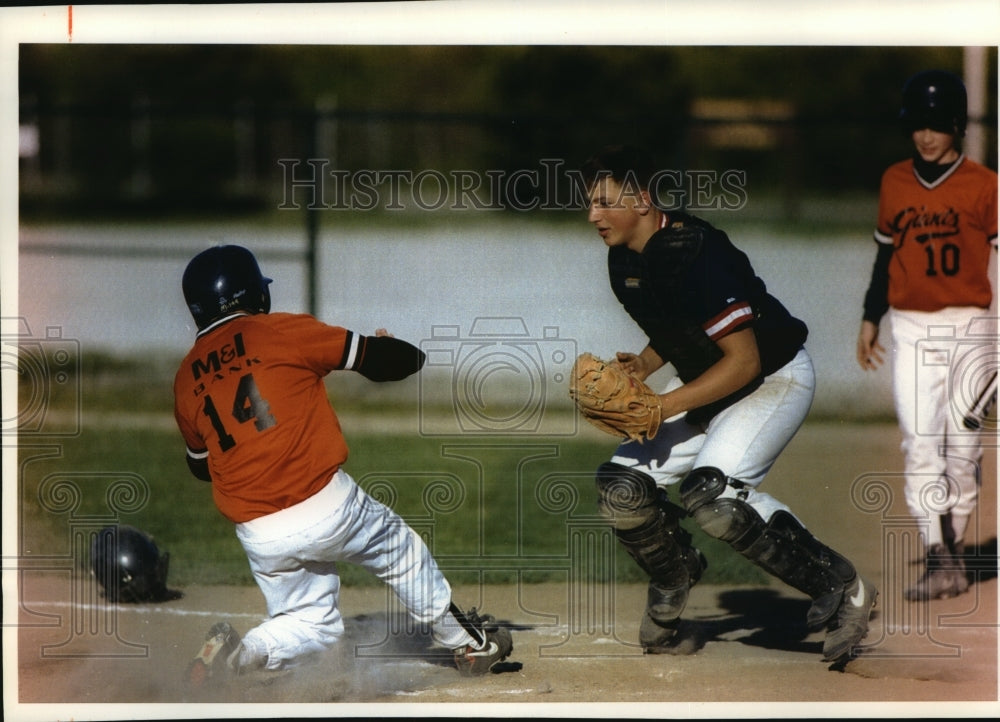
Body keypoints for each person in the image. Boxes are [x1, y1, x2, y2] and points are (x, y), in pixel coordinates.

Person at [579, 144, 877, 665]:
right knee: (621, 489)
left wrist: (663, 404)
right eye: (590, 203)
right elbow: (680, 330)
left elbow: (743, 362)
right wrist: (644, 368)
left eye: (605, 202)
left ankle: (844, 586)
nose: (593, 216)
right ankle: (674, 575)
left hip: (770, 381)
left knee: (715, 498)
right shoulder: (625, 258)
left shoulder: (696, 254)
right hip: (713, 387)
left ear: (644, 199)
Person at [173, 244, 512, 686]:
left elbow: (201, 466)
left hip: (258, 533)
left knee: (310, 624)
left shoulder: (185, 378)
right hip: (325, 503)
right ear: (251, 294)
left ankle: (239, 655)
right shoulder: (280, 331)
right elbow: (399, 362)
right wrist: (389, 348)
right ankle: (467, 643)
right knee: (401, 552)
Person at [856, 69, 997, 602]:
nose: (926, 135)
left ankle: (952, 552)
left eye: (937, 124)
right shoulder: (895, 180)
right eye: (917, 124)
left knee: (961, 448)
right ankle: (939, 555)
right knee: (919, 442)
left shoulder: (986, 185)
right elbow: (885, 255)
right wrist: (871, 318)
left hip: (972, 325)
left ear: (958, 125)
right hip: (911, 324)